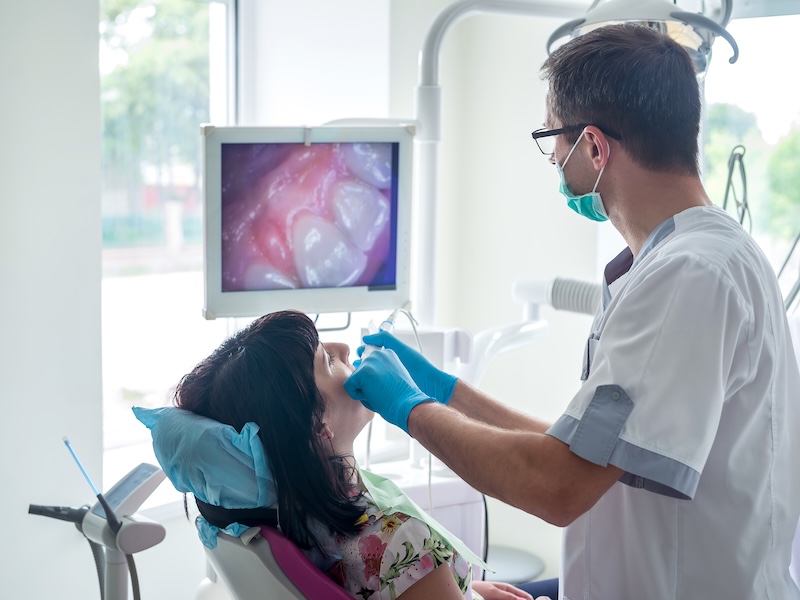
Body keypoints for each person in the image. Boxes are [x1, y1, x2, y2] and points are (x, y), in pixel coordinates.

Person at [344, 23, 800, 600]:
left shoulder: (691, 276)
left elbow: (558, 484)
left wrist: (408, 409)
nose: (554, 159)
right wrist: (445, 391)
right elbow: (583, 450)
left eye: (553, 140)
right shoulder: (684, 264)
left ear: (594, 146)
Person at [164, 309, 538, 600]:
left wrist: (462, 589)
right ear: (317, 426)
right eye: (327, 360)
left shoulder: (296, 523)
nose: (344, 349)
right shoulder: (399, 540)